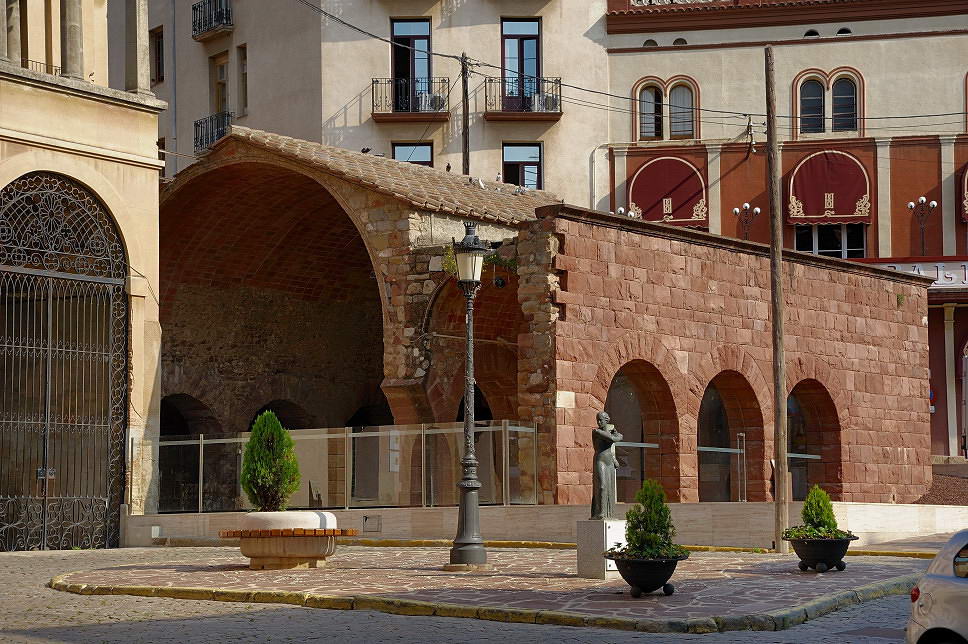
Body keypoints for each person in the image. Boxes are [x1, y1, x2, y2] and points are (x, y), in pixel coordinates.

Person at [591, 411, 623, 520]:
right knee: (602, 486)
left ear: (607, 420)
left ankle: (609, 513)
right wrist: (616, 433)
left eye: (601, 420)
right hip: (600, 460)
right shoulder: (596, 432)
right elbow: (613, 439)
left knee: (610, 488)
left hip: (609, 461)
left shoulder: (608, 433)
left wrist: (614, 459)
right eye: (598, 420)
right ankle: (601, 512)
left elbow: (618, 438)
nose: (599, 422)